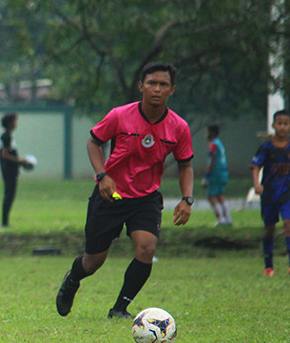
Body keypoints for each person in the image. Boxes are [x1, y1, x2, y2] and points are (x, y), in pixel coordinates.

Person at [55, 62, 194, 320]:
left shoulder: (179, 127)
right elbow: (94, 143)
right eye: (152, 83)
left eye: (163, 85)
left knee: (147, 249)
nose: (157, 89)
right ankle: (72, 279)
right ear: (141, 86)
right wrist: (102, 175)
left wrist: (187, 199)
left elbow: (185, 165)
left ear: (172, 90)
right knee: (93, 261)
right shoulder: (119, 116)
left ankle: (119, 308)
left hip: (146, 198)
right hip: (110, 195)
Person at [251, 109, 290, 276]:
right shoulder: (266, 147)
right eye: (279, 123)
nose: (282, 127)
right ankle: (269, 266)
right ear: (273, 125)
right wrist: (257, 183)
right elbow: (256, 166)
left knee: (289, 224)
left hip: (288, 193)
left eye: (285, 124)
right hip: (270, 193)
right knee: (269, 228)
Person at [0, 112, 31, 228]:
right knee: (9, 195)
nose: (16, 123)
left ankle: (5, 222)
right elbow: (4, 155)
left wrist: (20, 163)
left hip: (11, 170)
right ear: (9, 123)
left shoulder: (8, 136)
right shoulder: (6, 137)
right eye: (15, 121)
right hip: (8, 171)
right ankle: (4, 223)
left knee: (10, 195)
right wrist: (20, 161)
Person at [203, 124, 232, 226]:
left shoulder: (213, 145)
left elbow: (212, 160)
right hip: (223, 172)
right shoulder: (219, 143)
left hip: (216, 173)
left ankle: (221, 219)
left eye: (207, 132)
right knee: (220, 195)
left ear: (211, 133)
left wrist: (207, 175)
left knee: (211, 196)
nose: (205, 135)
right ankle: (228, 219)